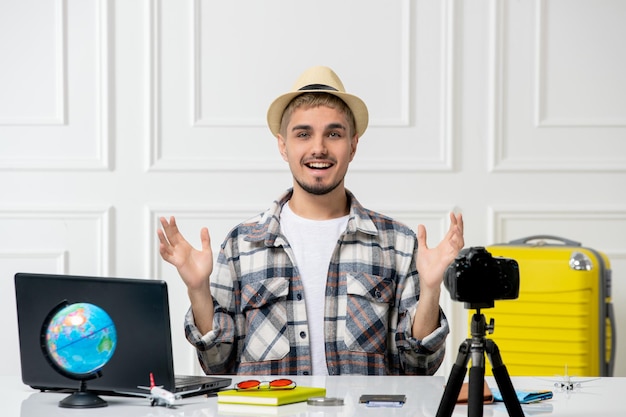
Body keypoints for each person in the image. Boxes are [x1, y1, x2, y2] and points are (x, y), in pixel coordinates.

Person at [157, 66, 464, 376]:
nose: (319, 147)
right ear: (283, 145)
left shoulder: (397, 243)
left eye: (334, 133)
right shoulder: (241, 244)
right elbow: (217, 364)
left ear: (353, 145)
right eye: (303, 134)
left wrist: (430, 288)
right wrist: (197, 289)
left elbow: (418, 367)